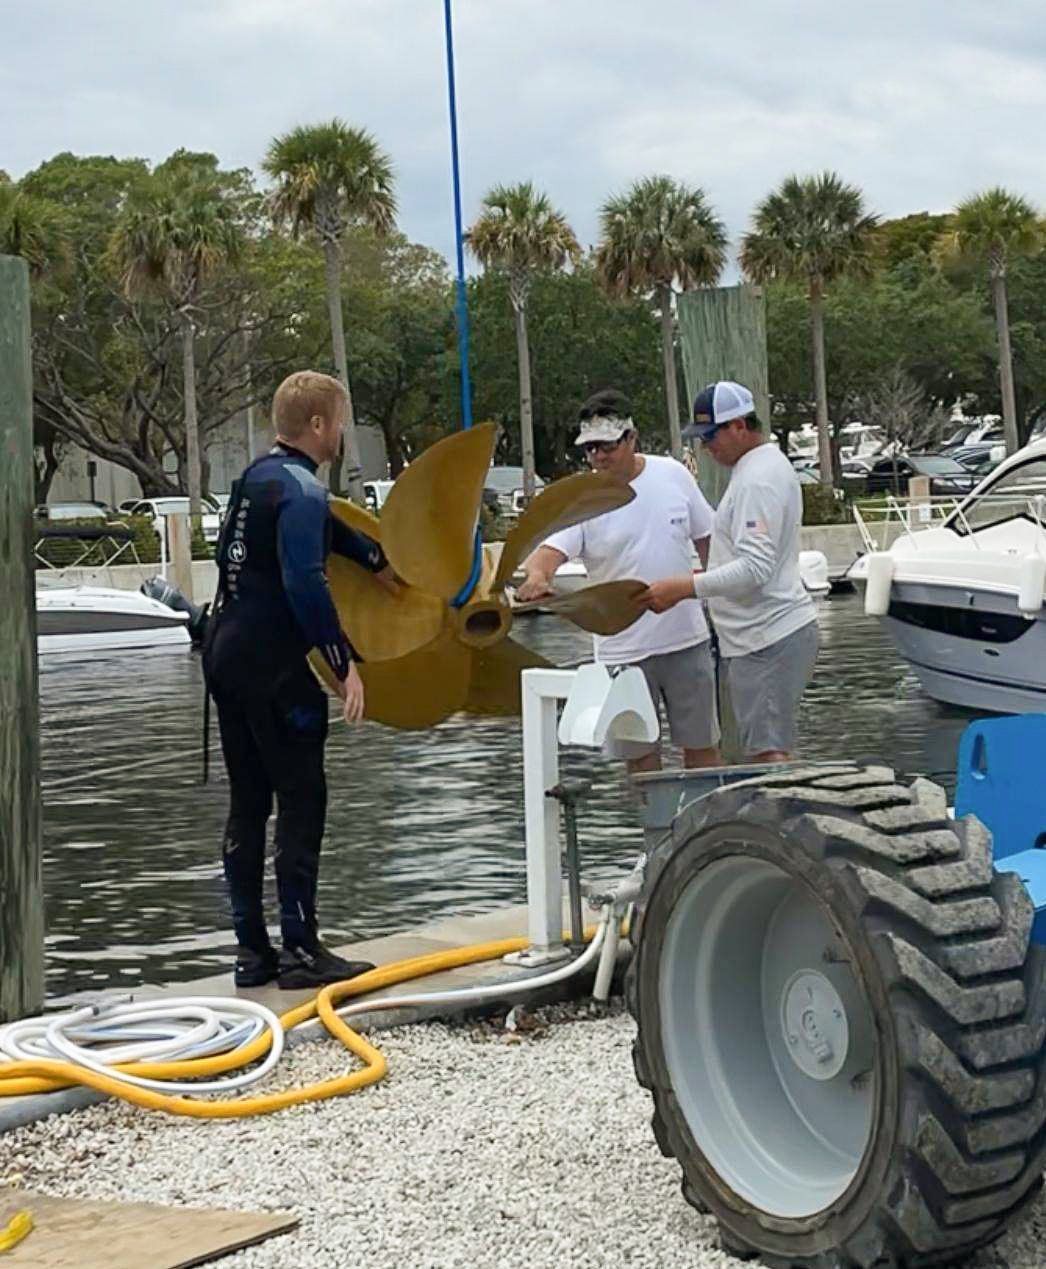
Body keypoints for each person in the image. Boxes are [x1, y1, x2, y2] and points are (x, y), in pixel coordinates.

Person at [204, 370, 395, 989]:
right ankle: (301, 951)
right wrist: (343, 665)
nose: (341, 433)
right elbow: (304, 580)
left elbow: (324, 532)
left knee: (248, 804)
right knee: (302, 799)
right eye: (338, 422)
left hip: (225, 655)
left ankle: (251, 953)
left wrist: (376, 560)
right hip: (274, 666)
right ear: (317, 425)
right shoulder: (306, 490)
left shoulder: (258, 478)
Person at [516, 388, 719, 773]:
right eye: (590, 448)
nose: (598, 456)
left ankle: (708, 813)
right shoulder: (583, 497)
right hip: (621, 654)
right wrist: (539, 577)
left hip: (686, 641)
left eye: (607, 446)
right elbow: (550, 551)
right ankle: (651, 816)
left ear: (632, 438)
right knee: (639, 759)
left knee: (703, 749)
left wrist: (720, 597)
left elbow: (708, 539)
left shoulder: (673, 474)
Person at [643, 381, 818, 763]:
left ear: (739, 426)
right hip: (758, 638)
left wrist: (685, 588)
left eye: (710, 436)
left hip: (768, 638)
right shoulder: (759, 468)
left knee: (768, 753)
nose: (706, 447)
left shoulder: (757, 480)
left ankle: (776, 803)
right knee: (762, 746)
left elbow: (755, 567)